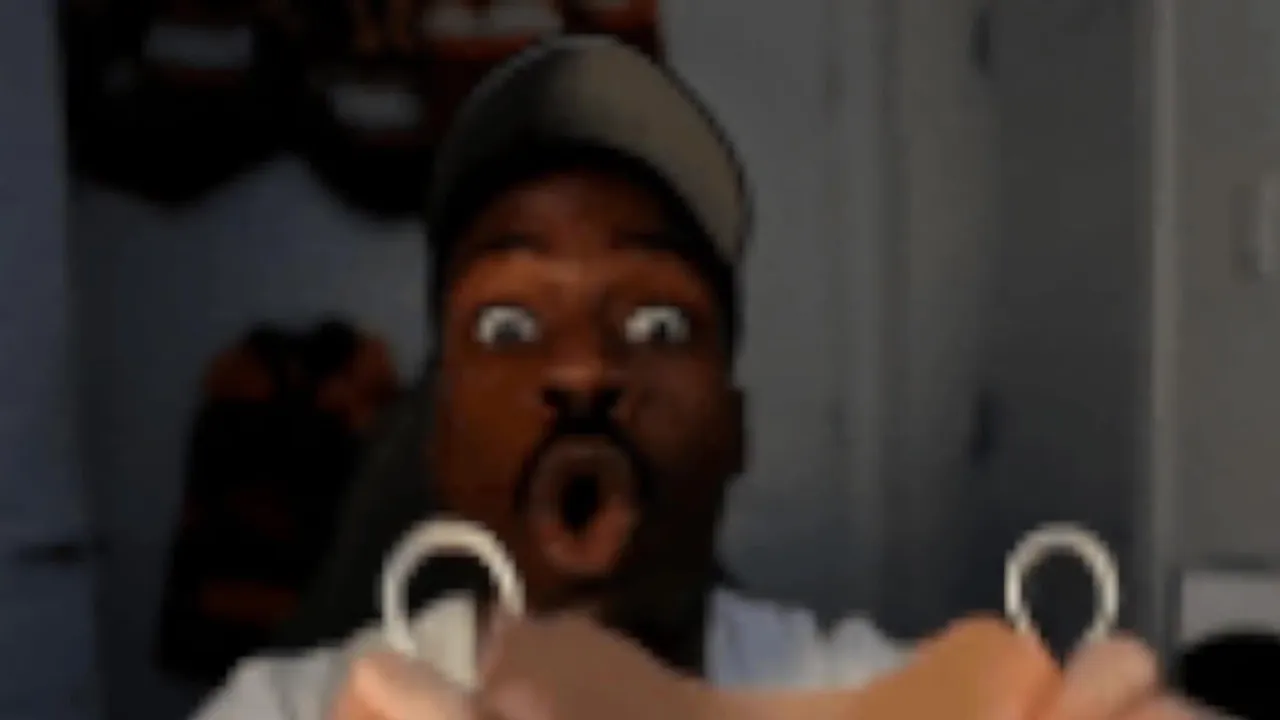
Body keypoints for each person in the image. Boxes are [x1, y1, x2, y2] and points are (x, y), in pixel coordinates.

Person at [192, 35, 1191, 720]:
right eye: (508, 325)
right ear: (440, 434)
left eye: (658, 322)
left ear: (735, 429)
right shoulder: (285, 708)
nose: (583, 367)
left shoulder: (873, 686)